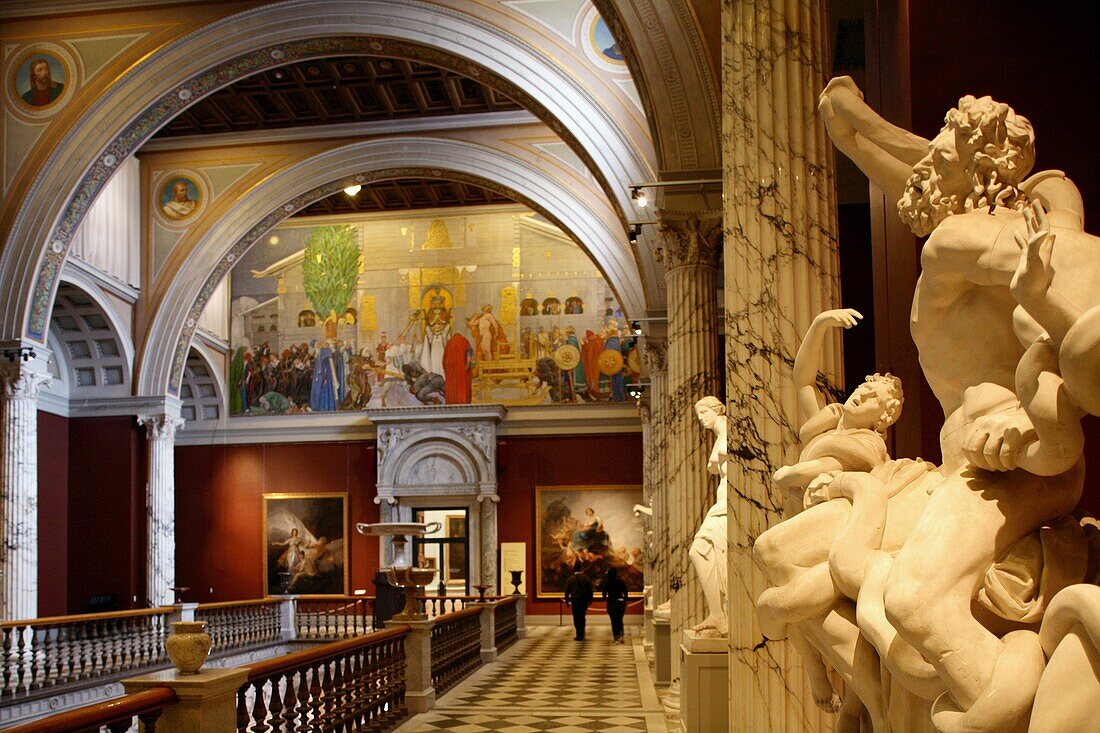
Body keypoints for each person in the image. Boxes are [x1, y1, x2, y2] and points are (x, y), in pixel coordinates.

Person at [817, 78, 1100, 728]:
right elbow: (928, 178)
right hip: (983, 465)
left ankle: (1009, 682)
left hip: (1008, 464)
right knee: (883, 590)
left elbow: (1074, 272)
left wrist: (854, 120)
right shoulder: (975, 228)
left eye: (943, 135)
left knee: (914, 597)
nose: (924, 153)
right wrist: (850, 129)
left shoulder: (964, 243)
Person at [563, 562, 593, 641]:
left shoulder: (571, 579)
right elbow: (590, 590)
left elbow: (567, 591)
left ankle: (578, 634)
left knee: (576, 617)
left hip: (575, 601)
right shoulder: (586, 578)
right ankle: (582, 633)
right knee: (582, 617)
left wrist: (566, 601)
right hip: (583, 600)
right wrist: (590, 600)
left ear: (574, 569)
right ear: (581, 569)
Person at [602, 568, 628, 643]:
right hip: (620, 602)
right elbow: (625, 591)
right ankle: (621, 634)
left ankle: (616, 636)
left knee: (613, 620)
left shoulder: (607, 583)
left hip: (611, 603)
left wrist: (606, 599)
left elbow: (603, 593)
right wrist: (625, 599)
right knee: (620, 619)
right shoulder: (620, 582)